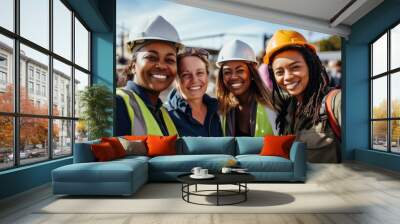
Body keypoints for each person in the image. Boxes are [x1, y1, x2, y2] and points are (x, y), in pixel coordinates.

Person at [263, 30, 341, 163]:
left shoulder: (337, 101)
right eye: (279, 72)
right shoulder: (287, 108)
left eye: (295, 67)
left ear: (311, 66)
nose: (287, 77)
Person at [115, 16, 181, 136]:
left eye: (170, 60)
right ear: (133, 65)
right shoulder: (117, 104)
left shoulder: (163, 113)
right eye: (151, 57)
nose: (161, 65)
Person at [216, 39, 277, 137]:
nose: (234, 76)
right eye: (227, 72)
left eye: (240, 70)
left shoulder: (273, 105)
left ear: (252, 73)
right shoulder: (219, 109)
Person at [167, 47, 223, 137]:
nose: (194, 80)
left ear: (207, 76)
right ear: (176, 79)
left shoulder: (220, 110)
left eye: (200, 73)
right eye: (186, 75)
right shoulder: (167, 116)